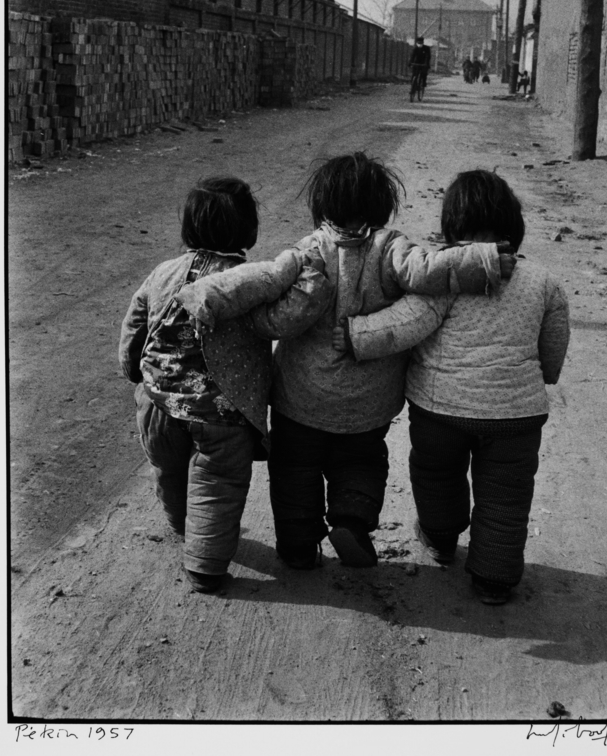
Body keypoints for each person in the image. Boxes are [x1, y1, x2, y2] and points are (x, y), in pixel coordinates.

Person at [176, 154, 516, 572]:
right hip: (368, 403)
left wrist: (208, 295)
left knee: (294, 470)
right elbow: (428, 270)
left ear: (322, 203)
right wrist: (482, 260)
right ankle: (352, 520)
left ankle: (298, 545)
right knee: (362, 463)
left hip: (300, 398)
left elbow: (264, 278)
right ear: (382, 202)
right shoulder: (392, 246)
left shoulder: (310, 248)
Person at [335, 170, 569, 604]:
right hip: (516, 415)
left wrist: (355, 335)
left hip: (440, 410)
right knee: (506, 497)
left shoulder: (447, 276)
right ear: (513, 224)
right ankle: (494, 578)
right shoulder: (542, 281)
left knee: (436, 475)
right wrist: (546, 375)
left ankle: (441, 538)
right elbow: (553, 345)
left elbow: (406, 324)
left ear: (451, 225)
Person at [118, 176, 332, 593]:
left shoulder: (162, 273)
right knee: (216, 486)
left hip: (157, 404)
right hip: (223, 412)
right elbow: (283, 321)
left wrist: (133, 371)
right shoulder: (247, 281)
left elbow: (134, 327)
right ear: (248, 229)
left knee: (170, 473)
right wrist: (313, 281)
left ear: (188, 226)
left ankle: (184, 526)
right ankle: (204, 564)